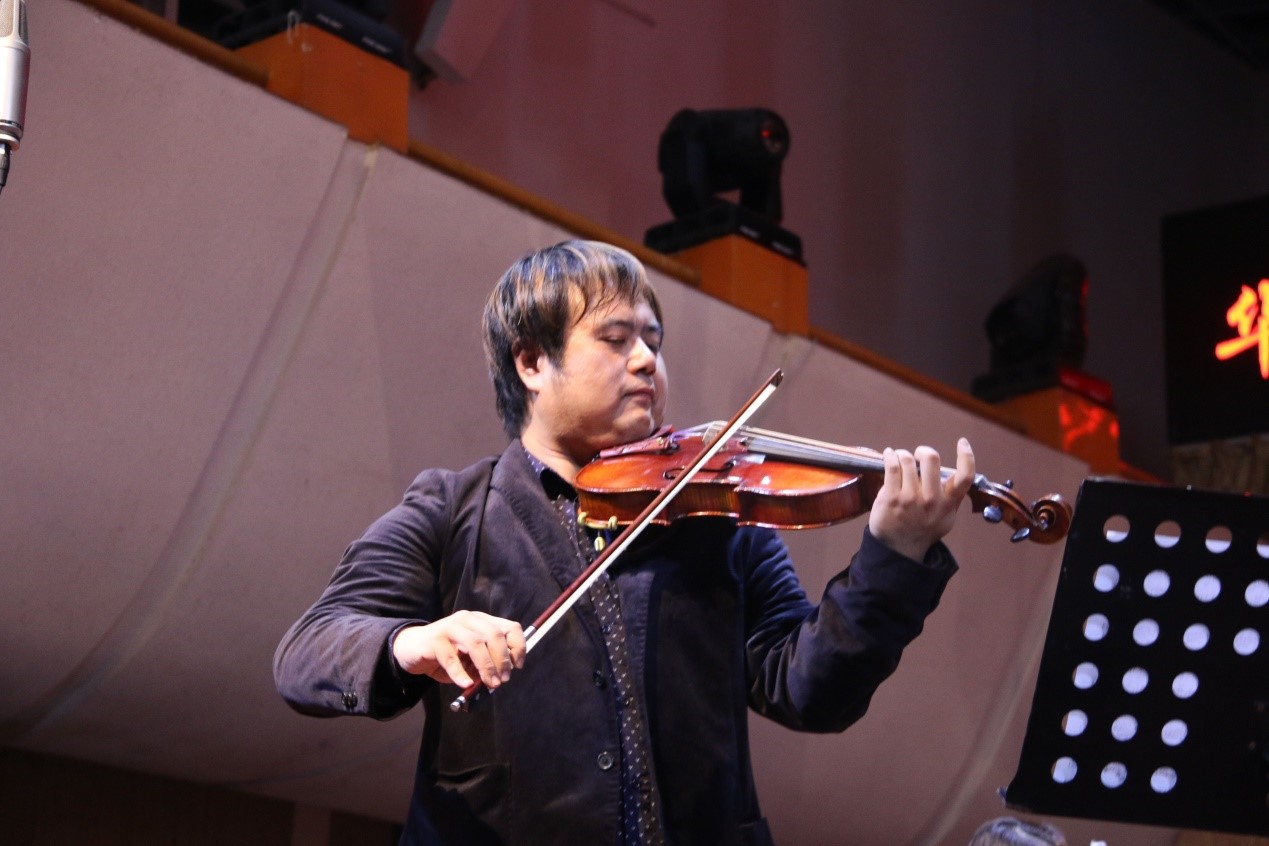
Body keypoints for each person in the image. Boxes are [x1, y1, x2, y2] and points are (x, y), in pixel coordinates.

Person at [274, 240, 977, 845]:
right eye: (615, 339)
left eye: (654, 342)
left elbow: (811, 691)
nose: (645, 360)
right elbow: (307, 651)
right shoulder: (451, 510)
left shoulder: (717, 517)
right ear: (531, 363)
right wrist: (412, 642)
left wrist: (893, 557)